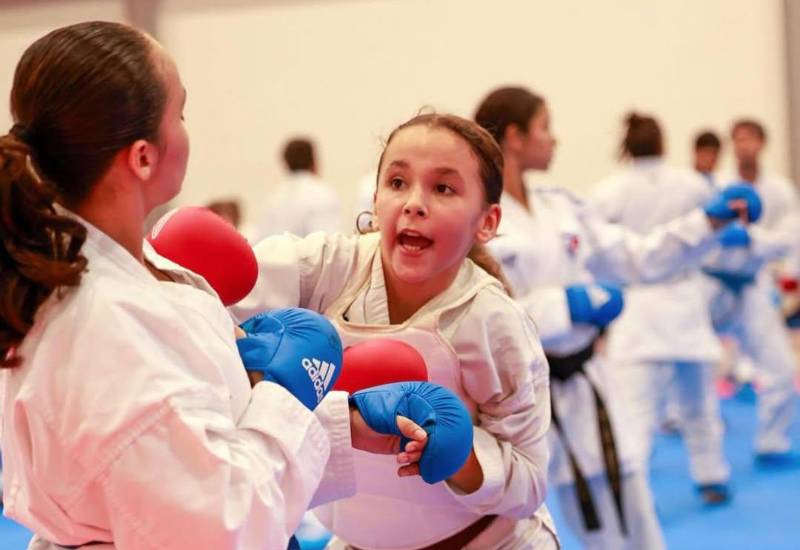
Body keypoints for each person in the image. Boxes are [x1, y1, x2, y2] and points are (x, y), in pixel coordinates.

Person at [0, 22, 431, 550]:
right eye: (179, 114)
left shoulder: (128, 273)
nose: (186, 131)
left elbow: (196, 450)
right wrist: (286, 393)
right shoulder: (104, 326)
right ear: (142, 155)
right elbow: (217, 526)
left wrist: (345, 426)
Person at [232, 113, 559, 549]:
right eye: (398, 182)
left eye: (443, 188)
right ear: (376, 197)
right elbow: (214, 292)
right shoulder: (331, 266)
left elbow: (532, 481)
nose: (414, 203)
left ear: (487, 221)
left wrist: (460, 457)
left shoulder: (493, 321)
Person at [473, 86, 761, 550]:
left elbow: (635, 256)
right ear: (515, 136)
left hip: (591, 383)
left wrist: (708, 222)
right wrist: (565, 306)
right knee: (553, 525)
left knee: (637, 511)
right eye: (546, 127)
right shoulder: (478, 220)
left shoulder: (561, 205)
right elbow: (479, 315)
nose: (555, 139)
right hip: (527, 397)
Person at [590, 113, 731, 504]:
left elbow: (596, 248)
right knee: (699, 402)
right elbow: (713, 233)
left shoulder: (608, 190)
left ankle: (632, 490)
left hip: (638, 306)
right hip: (684, 299)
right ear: (663, 143)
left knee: (635, 411)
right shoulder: (692, 185)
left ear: (627, 146)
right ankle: (712, 476)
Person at [705, 118, 800, 461]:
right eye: (737, 140)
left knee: (780, 366)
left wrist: (752, 239)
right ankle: (680, 423)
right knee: (688, 358)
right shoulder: (717, 185)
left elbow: (789, 238)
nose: (743, 145)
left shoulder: (780, 190)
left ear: (762, 143)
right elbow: (698, 236)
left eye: (749, 139)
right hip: (711, 283)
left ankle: (771, 440)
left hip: (751, 286)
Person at [251, 137, 343, 241]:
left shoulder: (273, 199)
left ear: (286, 163)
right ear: (313, 161)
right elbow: (327, 244)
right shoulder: (323, 194)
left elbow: (261, 240)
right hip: (308, 256)